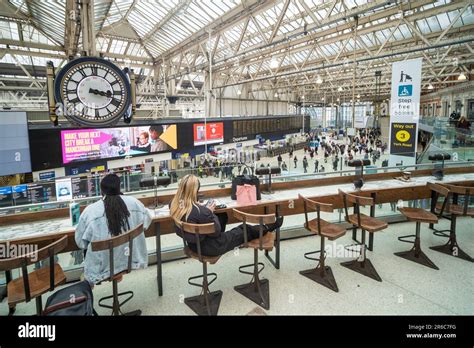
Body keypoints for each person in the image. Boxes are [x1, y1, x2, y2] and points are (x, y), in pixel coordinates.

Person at [170, 175, 283, 257]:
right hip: (211, 248)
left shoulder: (174, 205)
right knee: (244, 229)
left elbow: (194, 214)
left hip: (193, 245)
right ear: (195, 191)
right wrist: (209, 211)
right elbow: (216, 230)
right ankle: (269, 227)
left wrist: (196, 205)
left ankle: (227, 238)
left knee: (223, 216)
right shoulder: (201, 212)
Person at [75, 174, 152, 285]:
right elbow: (146, 223)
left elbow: (81, 243)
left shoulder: (90, 212)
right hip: (130, 261)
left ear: (101, 190)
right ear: (119, 187)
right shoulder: (135, 203)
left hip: (100, 270)